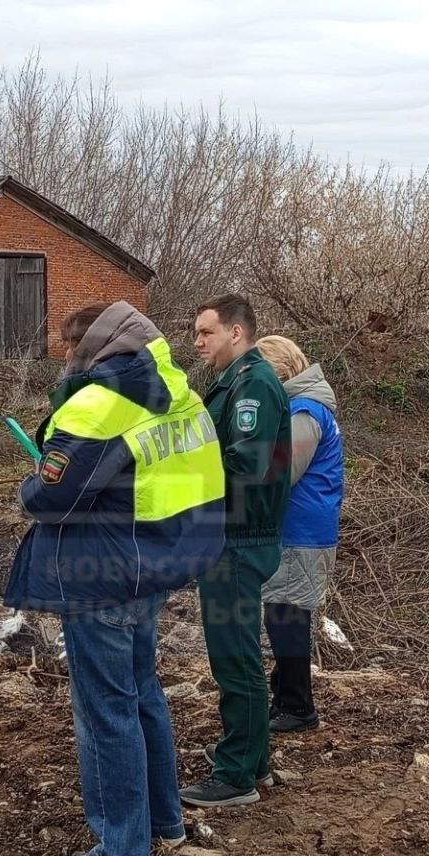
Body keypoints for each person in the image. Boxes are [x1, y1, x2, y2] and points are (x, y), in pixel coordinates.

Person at [4, 300, 225, 856]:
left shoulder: (100, 404)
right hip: (155, 564)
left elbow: (51, 496)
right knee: (141, 692)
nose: (65, 359)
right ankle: (163, 820)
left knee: (105, 709)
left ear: (89, 350)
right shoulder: (183, 394)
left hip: (103, 572)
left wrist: (31, 481)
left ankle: (122, 849)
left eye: (68, 349)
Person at [180, 294, 292, 808]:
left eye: (206, 333)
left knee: (235, 657)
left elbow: (245, 468)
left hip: (238, 540)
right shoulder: (236, 382)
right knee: (235, 653)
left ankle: (237, 775)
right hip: (231, 535)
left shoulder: (253, 387)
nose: (197, 343)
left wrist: (182, 474)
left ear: (236, 333)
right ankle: (253, 756)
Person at [256, 335, 344, 733]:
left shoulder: (304, 410)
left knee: (286, 614)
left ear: (280, 373)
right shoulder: (308, 405)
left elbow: (282, 473)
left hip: (300, 530)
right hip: (304, 528)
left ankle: (297, 706)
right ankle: (286, 695)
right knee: (284, 612)